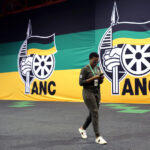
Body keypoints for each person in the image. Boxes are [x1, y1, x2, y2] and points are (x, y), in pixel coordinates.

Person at [78, 52, 107, 145]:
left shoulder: (97, 68)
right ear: (90, 59)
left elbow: (99, 82)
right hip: (88, 92)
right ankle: (98, 137)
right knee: (95, 112)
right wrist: (93, 78)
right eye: (94, 61)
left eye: (97, 62)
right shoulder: (84, 69)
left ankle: (82, 129)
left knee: (92, 114)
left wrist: (101, 79)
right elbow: (81, 82)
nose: (96, 63)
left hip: (97, 92)